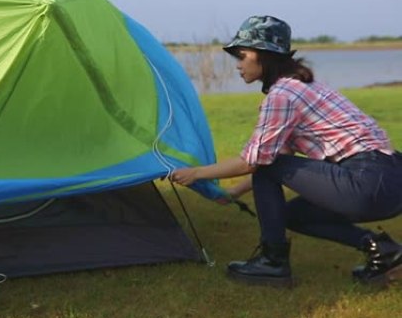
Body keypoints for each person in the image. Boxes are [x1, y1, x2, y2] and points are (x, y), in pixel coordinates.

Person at [169, 15, 402, 287]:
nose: (238, 66)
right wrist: (234, 192)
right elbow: (276, 156)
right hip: (389, 180)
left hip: (367, 180)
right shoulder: (303, 87)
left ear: (264, 56)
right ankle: (383, 250)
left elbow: (256, 161)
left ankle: (273, 262)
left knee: (265, 165)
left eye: (242, 56)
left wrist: (196, 173)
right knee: (293, 215)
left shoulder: (282, 95)